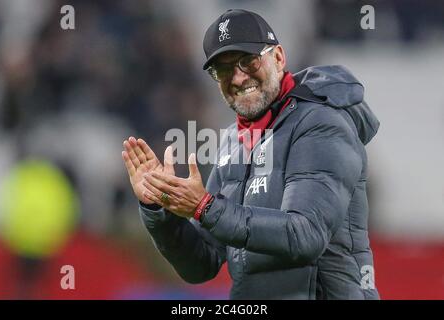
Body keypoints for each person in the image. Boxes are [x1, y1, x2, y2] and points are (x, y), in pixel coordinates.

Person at [122, 9, 380, 299]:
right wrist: (160, 210)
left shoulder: (320, 123)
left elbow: (305, 235)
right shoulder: (234, 140)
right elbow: (201, 265)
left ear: (279, 58)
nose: (238, 77)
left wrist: (206, 208)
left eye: (248, 61)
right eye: (223, 70)